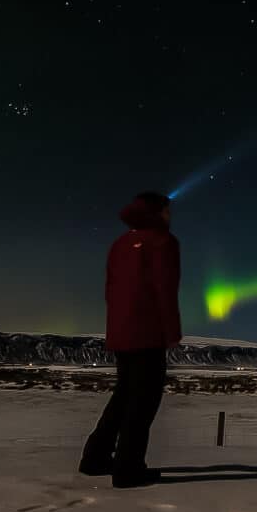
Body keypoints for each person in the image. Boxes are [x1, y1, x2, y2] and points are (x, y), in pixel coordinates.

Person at [79, 191, 182, 488]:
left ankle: (95, 457)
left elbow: (110, 291)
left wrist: (117, 329)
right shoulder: (163, 242)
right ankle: (128, 467)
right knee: (144, 401)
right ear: (157, 211)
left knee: (124, 395)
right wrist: (171, 332)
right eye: (166, 210)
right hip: (148, 332)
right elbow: (165, 290)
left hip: (121, 333)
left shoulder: (120, 244)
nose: (170, 215)